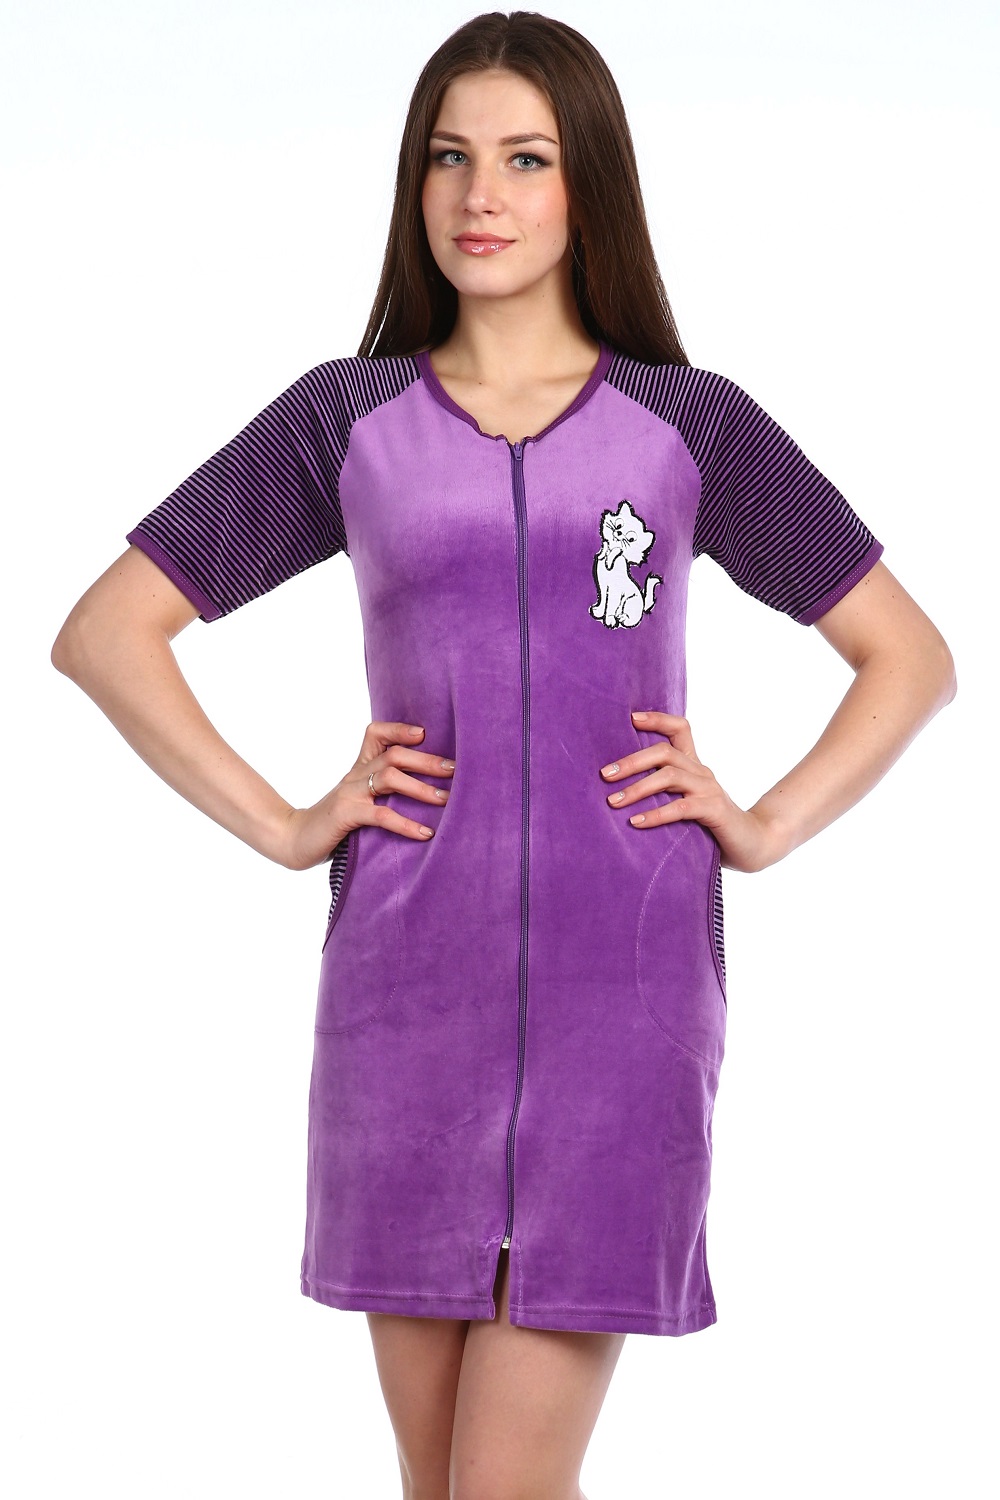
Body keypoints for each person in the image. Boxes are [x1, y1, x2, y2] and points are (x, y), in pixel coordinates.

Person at [51, 10, 956, 1500]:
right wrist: (286, 823)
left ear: (588, 184)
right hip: (403, 999)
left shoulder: (687, 426)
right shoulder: (346, 420)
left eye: (527, 159)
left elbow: (910, 657)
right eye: (449, 157)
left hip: (626, 999)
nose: (482, 195)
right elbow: (106, 633)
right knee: (440, 1487)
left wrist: (766, 820)